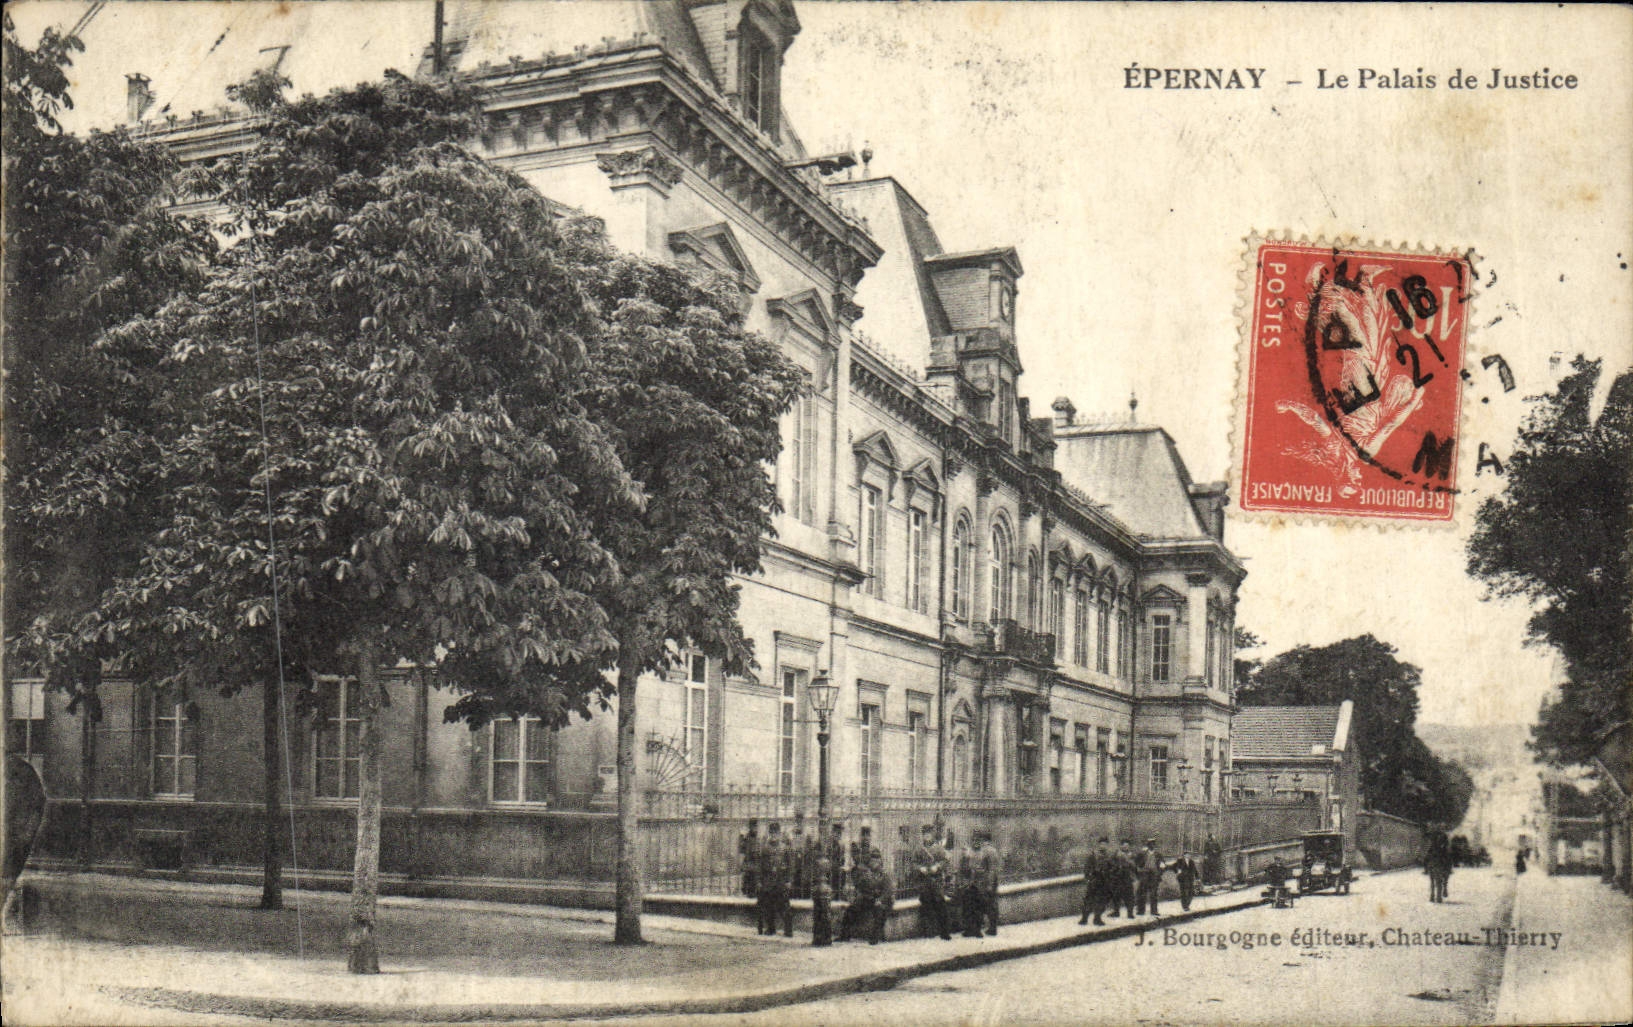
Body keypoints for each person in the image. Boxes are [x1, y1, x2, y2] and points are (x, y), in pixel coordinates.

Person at [912, 824, 953, 940]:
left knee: (941, 906)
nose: (927, 836)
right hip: (924, 882)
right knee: (927, 906)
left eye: (929, 834)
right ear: (922, 835)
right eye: (925, 834)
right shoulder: (918, 849)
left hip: (936, 881)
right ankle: (929, 932)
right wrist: (920, 868)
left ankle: (945, 932)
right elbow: (913, 863)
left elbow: (945, 861)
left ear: (932, 835)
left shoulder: (939, 848)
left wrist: (938, 867)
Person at [757, 822, 793, 937]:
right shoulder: (765, 849)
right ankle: (771, 928)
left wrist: (789, 880)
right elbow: (760, 866)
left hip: (781, 880)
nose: (773, 835)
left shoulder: (784, 848)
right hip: (768, 880)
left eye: (776, 833)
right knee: (769, 906)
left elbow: (790, 866)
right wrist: (759, 881)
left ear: (779, 834)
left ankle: (788, 930)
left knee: (784, 906)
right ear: (769, 834)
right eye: (771, 833)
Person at [964, 831, 1000, 936]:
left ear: (984, 840)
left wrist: (989, 885)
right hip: (988, 881)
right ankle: (991, 928)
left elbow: (991, 869)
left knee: (986, 905)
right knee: (989, 904)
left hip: (985, 882)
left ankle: (990, 928)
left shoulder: (987, 851)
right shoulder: (991, 850)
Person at [1079, 837, 1112, 926]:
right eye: (1101, 844)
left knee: (1101, 900)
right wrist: (1088, 878)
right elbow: (1087, 867)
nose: (1103, 846)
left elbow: (1112, 868)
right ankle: (1084, 918)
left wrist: (1109, 877)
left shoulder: (1108, 857)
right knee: (1089, 900)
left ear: (1107, 846)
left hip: (1104, 881)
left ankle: (1097, 918)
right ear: (1099, 845)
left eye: (1105, 844)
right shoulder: (1093, 855)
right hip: (1094, 880)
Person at [1136, 838, 1164, 917]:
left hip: (1154, 875)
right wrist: (1140, 871)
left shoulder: (1158, 854)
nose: (1152, 845)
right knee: (1142, 893)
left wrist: (1159, 873)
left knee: (1154, 893)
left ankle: (1154, 911)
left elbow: (1163, 865)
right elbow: (1137, 862)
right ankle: (1141, 911)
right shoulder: (1143, 853)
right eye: (1150, 844)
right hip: (1145, 874)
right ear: (1148, 845)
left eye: (1153, 844)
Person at [1110, 840, 1137, 919]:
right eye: (1124, 846)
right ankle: (1116, 912)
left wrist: (1129, 861)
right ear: (1121, 846)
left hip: (1128, 877)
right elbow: (1111, 862)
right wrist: (1115, 868)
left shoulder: (1132, 855)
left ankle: (1130, 913)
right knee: (1116, 895)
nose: (1125, 847)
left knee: (1129, 896)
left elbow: (1135, 865)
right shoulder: (1116, 854)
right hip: (1118, 877)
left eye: (1127, 846)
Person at [737, 819, 762, 901]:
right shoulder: (747, 837)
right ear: (750, 827)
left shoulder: (759, 837)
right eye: (753, 826)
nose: (755, 828)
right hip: (749, 865)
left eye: (756, 826)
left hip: (756, 865)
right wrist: (741, 836)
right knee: (748, 888)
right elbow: (741, 849)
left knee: (756, 887)